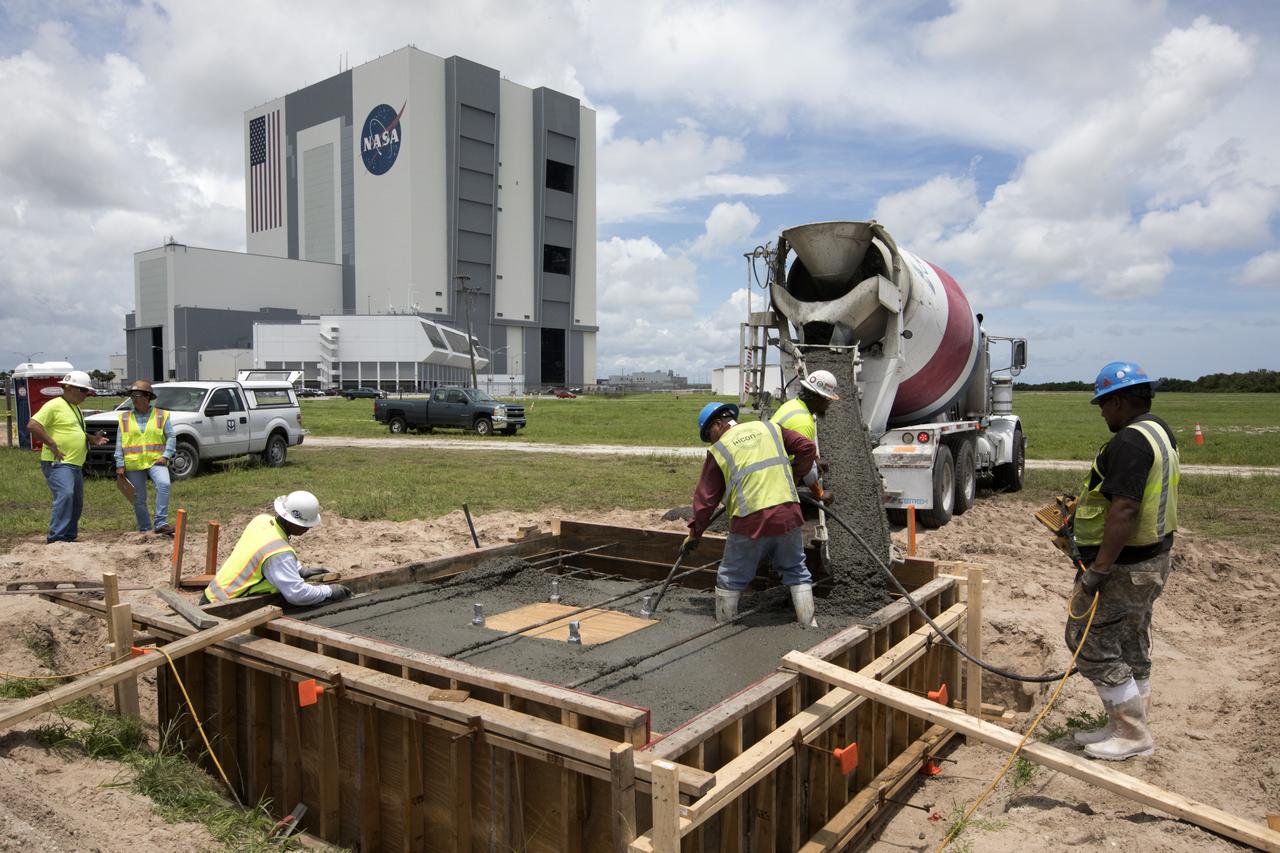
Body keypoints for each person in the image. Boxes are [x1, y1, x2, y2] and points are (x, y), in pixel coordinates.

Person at [1066, 361, 1179, 761]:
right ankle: (1128, 724)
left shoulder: (1130, 442)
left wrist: (1098, 570)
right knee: (1130, 639)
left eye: (1103, 404)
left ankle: (1131, 734)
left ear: (1119, 401)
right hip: (1151, 560)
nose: (1101, 413)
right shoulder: (1158, 431)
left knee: (1088, 640)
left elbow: (1126, 509)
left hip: (1124, 567)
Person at [682, 402, 832, 627]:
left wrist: (695, 533)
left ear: (717, 424)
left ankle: (724, 628)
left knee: (730, 576)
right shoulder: (770, 428)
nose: (711, 440)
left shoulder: (720, 448)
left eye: (708, 434)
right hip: (787, 513)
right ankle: (809, 625)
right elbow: (807, 447)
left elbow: (706, 499)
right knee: (797, 570)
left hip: (750, 519)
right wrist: (795, 474)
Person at [203, 491, 352, 607]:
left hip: (212, 596)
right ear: (294, 522)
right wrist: (328, 591)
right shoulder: (280, 554)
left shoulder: (262, 520)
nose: (309, 528)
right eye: (306, 525)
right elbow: (297, 594)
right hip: (224, 608)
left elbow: (266, 552)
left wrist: (299, 569)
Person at [25, 371, 109, 543]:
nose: (86, 395)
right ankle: (56, 538)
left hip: (74, 463)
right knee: (66, 495)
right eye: (84, 391)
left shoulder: (75, 408)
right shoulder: (54, 405)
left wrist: (92, 438)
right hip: (59, 462)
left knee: (76, 502)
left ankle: (69, 537)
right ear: (70, 388)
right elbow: (33, 425)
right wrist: (52, 444)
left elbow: (74, 431)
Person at [114, 380, 176, 535]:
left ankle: (161, 522)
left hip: (156, 461)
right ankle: (145, 528)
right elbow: (119, 443)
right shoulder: (125, 418)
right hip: (134, 464)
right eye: (132, 396)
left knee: (164, 485)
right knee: (138, 498)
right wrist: (120, 464)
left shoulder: (161, 415)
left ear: (148, 397)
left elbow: (171, 437)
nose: (134, 399)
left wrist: (166, 455)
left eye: (138, 395)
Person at [769, 369, 840, 443]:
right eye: (828, 399)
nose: (829, 404)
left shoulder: (790, 404)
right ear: (818, 398)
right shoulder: (804, 424)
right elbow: (802, 454)